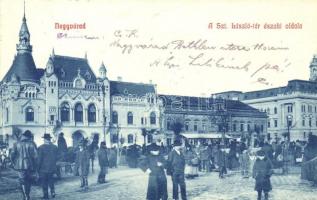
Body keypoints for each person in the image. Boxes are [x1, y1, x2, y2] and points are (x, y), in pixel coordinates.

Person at [10, 130, 38, 200]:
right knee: (28, 180)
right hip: (30, 165)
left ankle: (25, 196)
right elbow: (36, 156)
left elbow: (12, 155)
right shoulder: (32, 143)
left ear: (23, 136)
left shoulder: (16, 143)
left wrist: (13, 163)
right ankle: (27, 195)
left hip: (20, 165)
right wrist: (35, 165)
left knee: (22, 180)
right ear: (29, 137)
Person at [38, 133, 58, 199]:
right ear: (49, 139)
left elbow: (39, 160)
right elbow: (57, 157)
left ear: (44, 139)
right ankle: (53, 192)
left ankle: (46, 196)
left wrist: (37, 169)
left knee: (44, 182)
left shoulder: (41, 148)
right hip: (52, 167)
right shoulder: (55, 147)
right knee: (51, 180)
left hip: (43, 168)